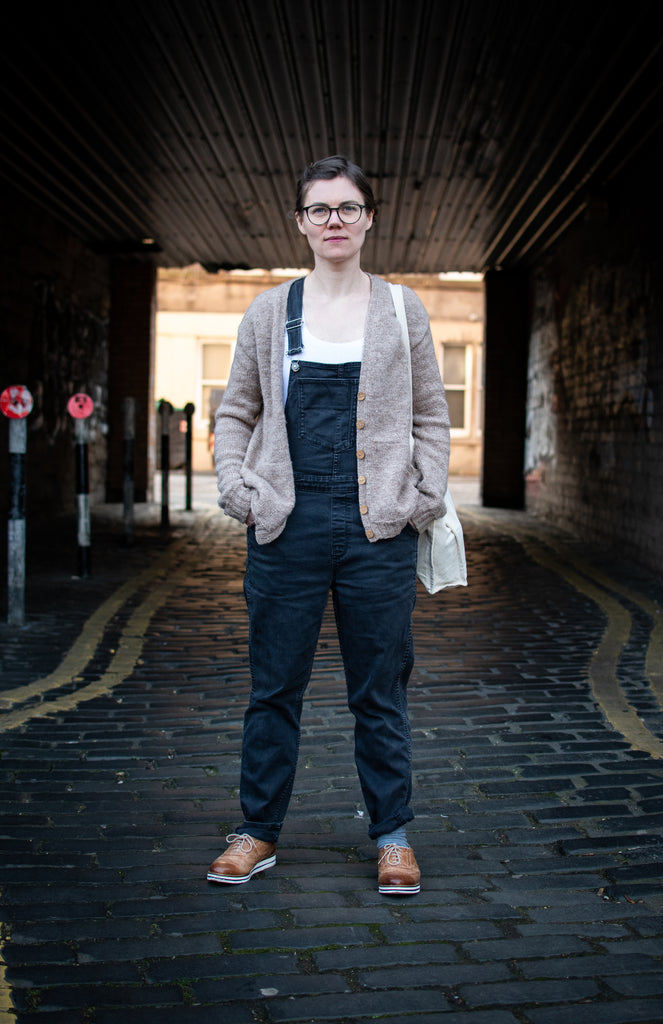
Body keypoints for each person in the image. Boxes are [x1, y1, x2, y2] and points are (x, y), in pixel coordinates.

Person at [208, 155, 450, 895]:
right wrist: (236, 489)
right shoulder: (267, 312)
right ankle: (255, 832)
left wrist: (423, 496)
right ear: (301, 223)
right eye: (320, 210)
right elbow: (235, 412)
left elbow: (430, 417)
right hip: (286, 522)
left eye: (347, 208)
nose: (334, 221)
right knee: (272, 688)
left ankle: (393, 837)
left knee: (379, 692)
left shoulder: (403, 309)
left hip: (378, 527)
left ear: (369, 218)